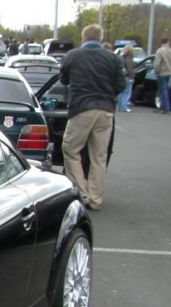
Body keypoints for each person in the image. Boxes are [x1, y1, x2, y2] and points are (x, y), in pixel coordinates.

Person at [59, 24, 126, 211]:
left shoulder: (72, 56)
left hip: (81, 109)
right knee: (99, 156)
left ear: (83, 38)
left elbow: (63, 79)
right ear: (100, 38)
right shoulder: (113, 58)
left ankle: (81, 193)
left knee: (70, 149)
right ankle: (96, 198)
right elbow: (121, 85)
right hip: (105, 111)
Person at [154, 37, 171, 114]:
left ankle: (165, 108)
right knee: (165, 90)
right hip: (169, 72)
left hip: (162, 72)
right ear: (168, 42)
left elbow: (157, 62)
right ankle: (162, 107)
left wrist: (156, 71)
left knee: (162, 91)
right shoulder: (169, 50)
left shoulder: (160, 51)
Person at [117, 45, 135, 112]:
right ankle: (124, 107)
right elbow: (130, 69)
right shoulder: (129, 59)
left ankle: (120, 107)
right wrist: (132, 77)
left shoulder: (121, 57)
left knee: (121, 92)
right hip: (127, 76)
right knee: (126, 92)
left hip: (121, 76)